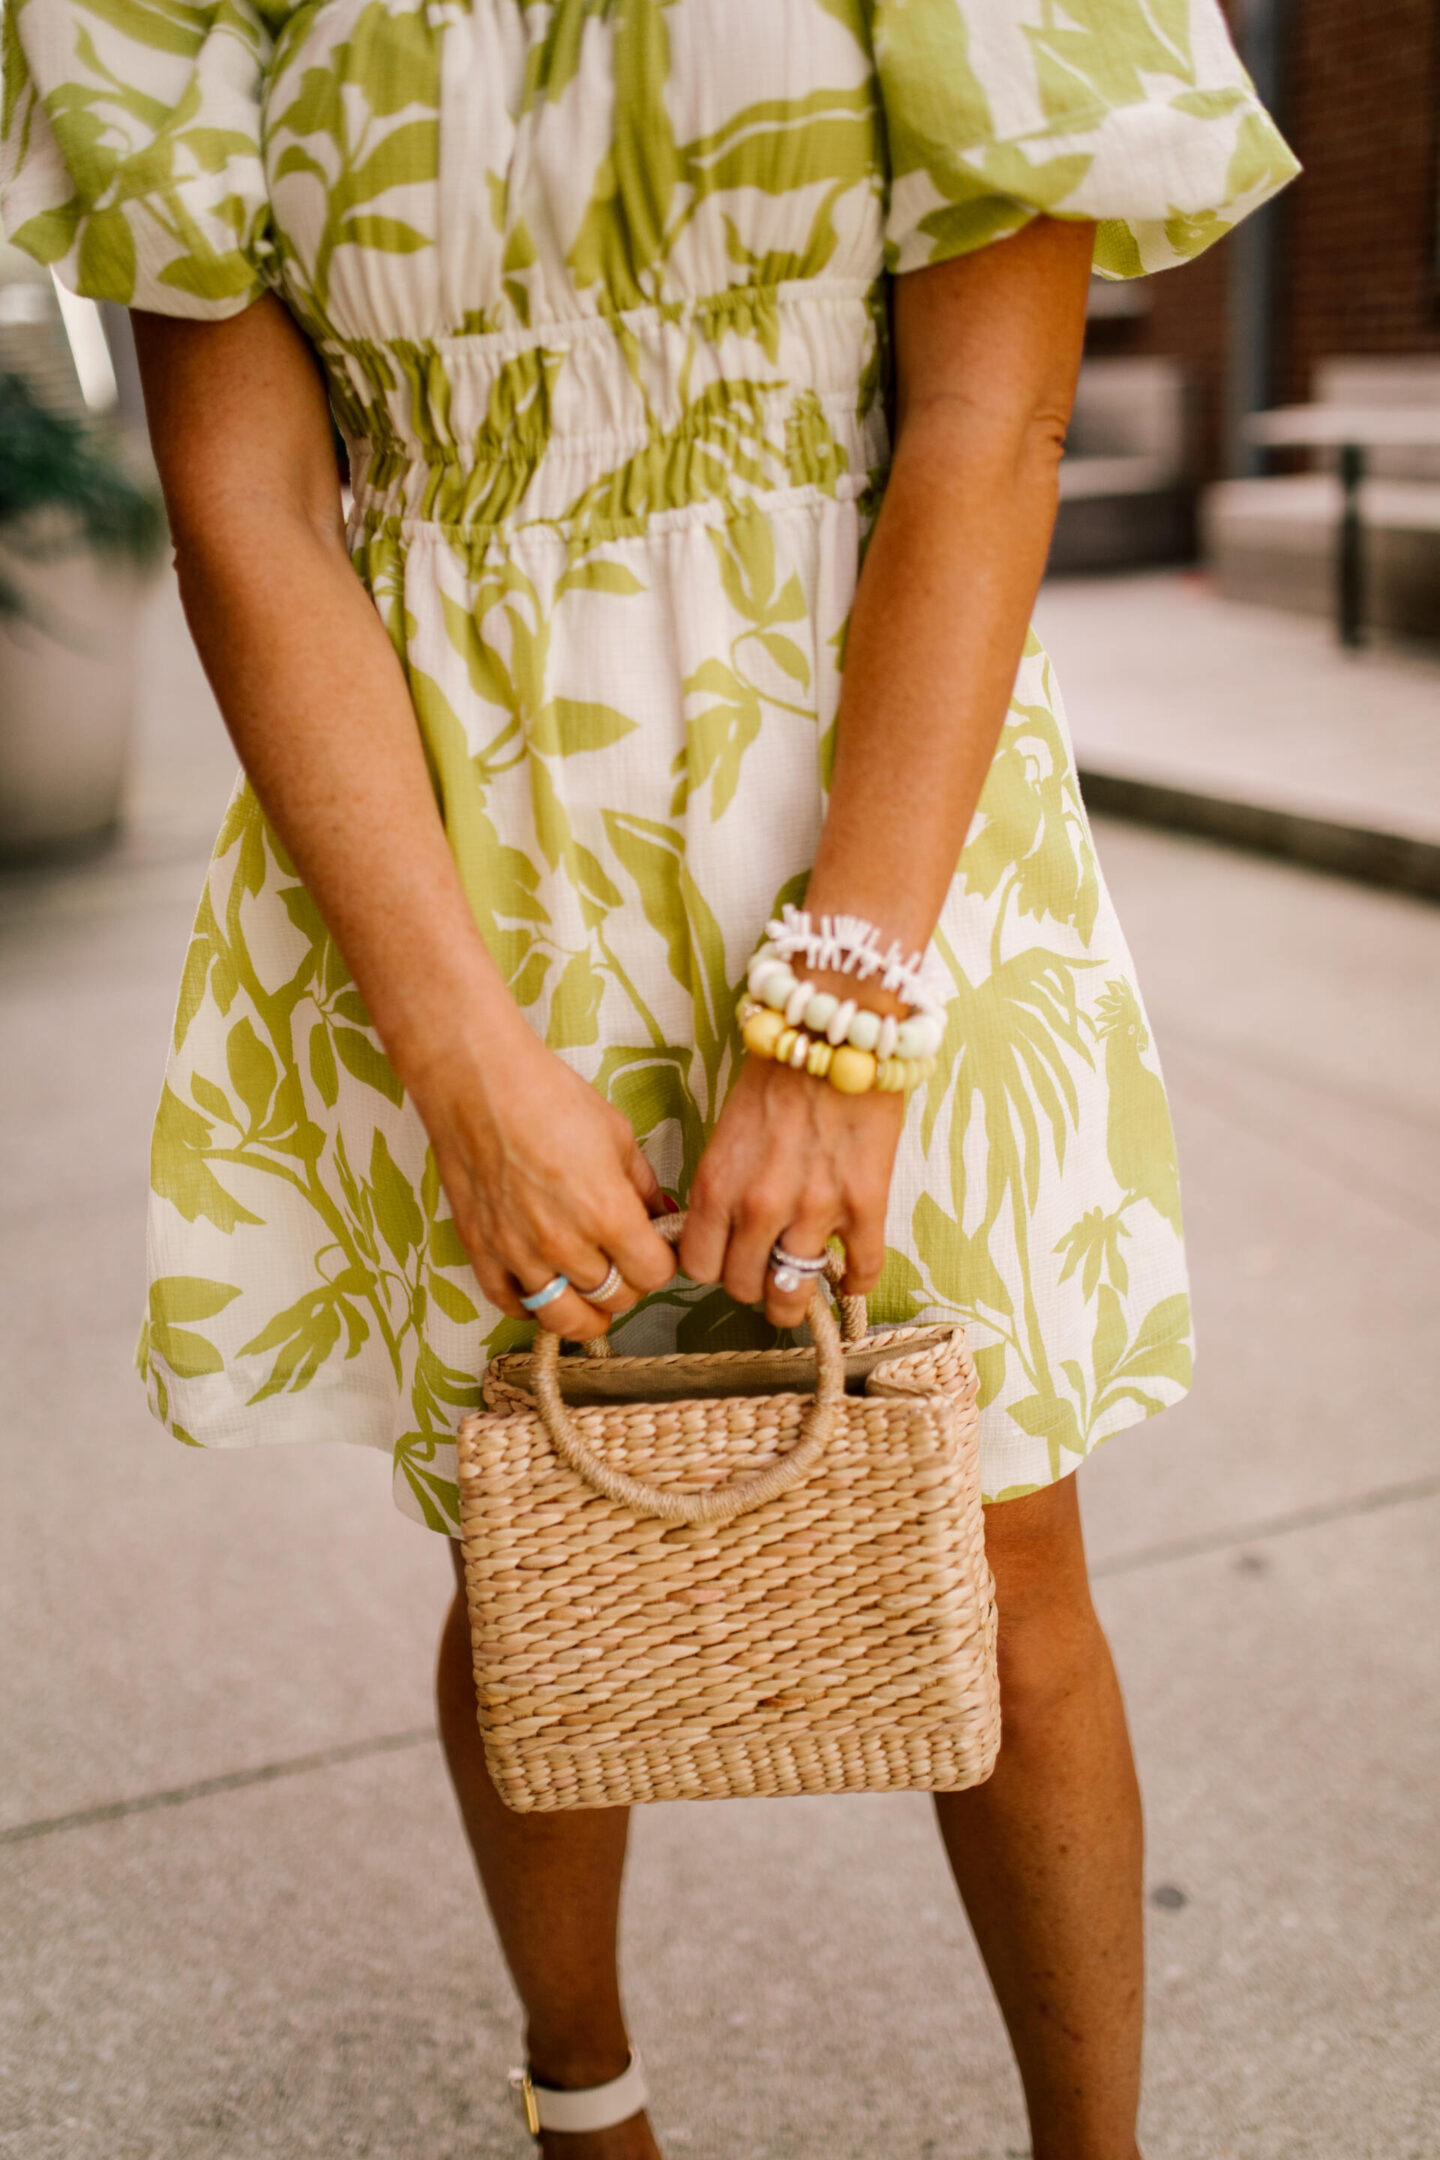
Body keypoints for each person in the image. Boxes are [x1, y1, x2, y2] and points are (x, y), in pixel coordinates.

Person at [2, 2, 1295, 2152]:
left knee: (1002, 1537)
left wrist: (848, 1003)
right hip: (446, 839)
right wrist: (457, 1063)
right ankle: (583, 2104)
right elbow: (248, 497)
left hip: (867, 766)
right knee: (525, 1525)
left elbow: (990, 412)